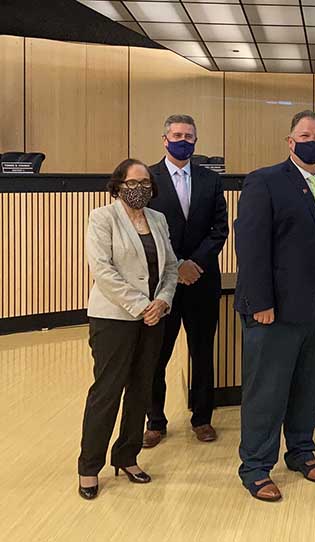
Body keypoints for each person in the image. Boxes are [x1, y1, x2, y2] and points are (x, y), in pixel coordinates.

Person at [234, 110, 315, 502]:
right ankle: (255, 466)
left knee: (308, 386)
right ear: (290, 142)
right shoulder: (265, 181)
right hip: (276, 312)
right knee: (267, 391)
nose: (313, 141)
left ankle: (302, 451)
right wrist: (260, 303)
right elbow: (250, 247)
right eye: (305, 134)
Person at [78, 159, 178, 499]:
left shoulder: (158, 219)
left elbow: (171, 269)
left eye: (146, 182)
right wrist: (141, 307)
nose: (140, 189)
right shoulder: (102, 218)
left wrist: (162, 302)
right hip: (114, 319)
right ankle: (89, 467)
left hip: (154, 318)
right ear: (118, 184)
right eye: (133, 183)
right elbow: (103, 272)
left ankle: (127, 456)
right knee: (107, 391)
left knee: (141, 389)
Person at [143, 114, 229, 448]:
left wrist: (194, 263)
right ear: (164, 139)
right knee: (156, 355)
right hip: (161, 285)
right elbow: (145, 231)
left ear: (196, 140)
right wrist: (176, 266)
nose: (183, 140)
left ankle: (202, 418)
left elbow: (219, 228)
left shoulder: (211, 180)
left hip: (202, 280)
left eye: (189, 136)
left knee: (203, 352)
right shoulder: (148, 178)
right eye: (177, 135)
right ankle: (155, 421)